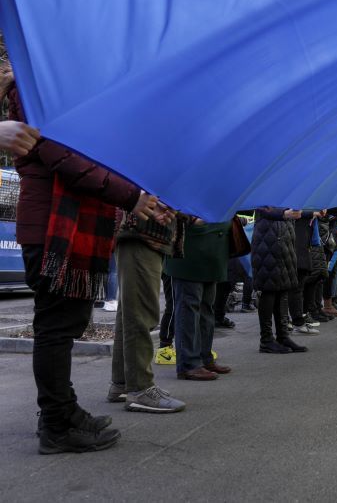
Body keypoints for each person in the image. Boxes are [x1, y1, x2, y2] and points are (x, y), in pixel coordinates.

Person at [5, 71, 158, 453]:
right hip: (53, 229)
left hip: (66, 228)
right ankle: (57, 423)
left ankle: (63, 411)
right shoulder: (33, 88)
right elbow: (64, 156)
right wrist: (129, 196)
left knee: (64, 325)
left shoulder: (52, 88)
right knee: (56, 328)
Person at [109, 206, 186, 413]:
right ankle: (140, 389)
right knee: (140, 313)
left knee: (130, 311)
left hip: (146, 233)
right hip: (142, 232)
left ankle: (123, 384)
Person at [165, 220, 233, 381]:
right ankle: (188, 364)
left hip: (212, 252)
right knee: (189, 310)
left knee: (206, 309)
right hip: (191, 250)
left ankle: (204, 359)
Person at [251, 207, 309, 354]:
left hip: (284, 244)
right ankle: (266, 340)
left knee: (283, 289)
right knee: (269, 291)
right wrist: (284, 213)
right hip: (268, 243)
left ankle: (283, 336)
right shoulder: (265, 190)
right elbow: (263, 209)